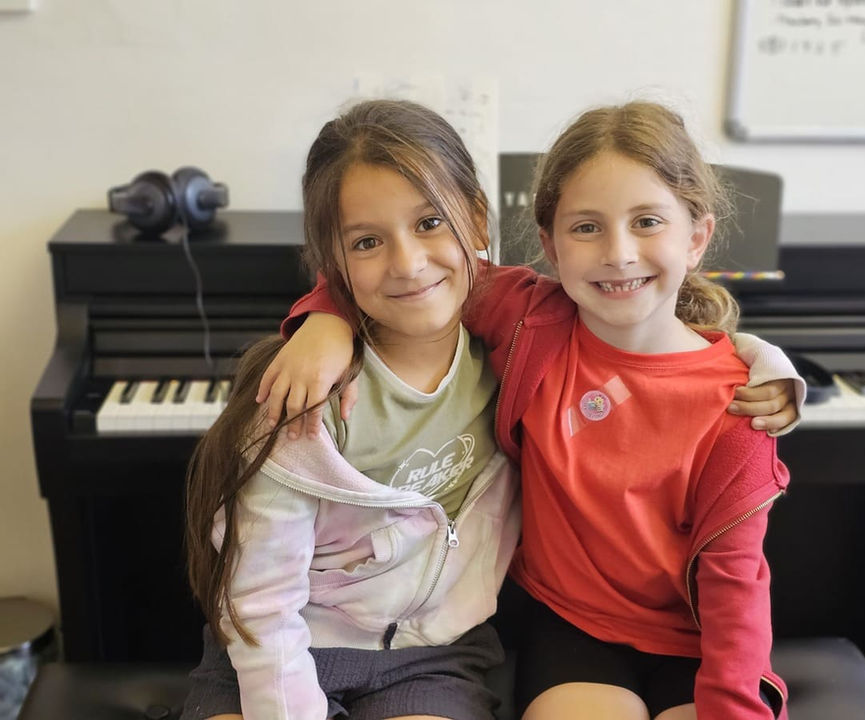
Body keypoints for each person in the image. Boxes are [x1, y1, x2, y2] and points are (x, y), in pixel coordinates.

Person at [262, 101, 800, 719]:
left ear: (697, 237)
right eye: (586, 227)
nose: (618, 253)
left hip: (698, 644)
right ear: (549, 243)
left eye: (647, 221)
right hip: (569, 627)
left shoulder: (741, 405)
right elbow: (415, 272)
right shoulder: (528, 318)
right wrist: (324, 321)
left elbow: (737, 586)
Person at [184, 99, 521, 720]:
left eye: (428, 223)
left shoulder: (517, 348)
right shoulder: (310, 394)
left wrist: (760, 363)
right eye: (368, 241)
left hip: (430, 651)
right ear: (332, 263)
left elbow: (637, 323)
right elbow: (260, 598)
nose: (408, 263)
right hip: (275, 643)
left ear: (475, 219)